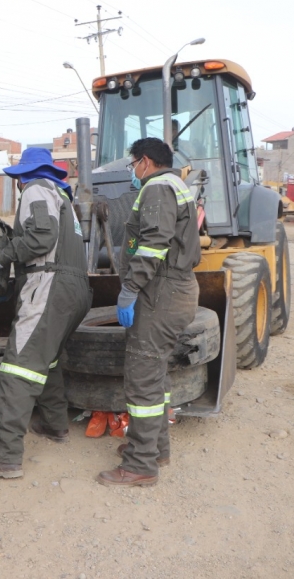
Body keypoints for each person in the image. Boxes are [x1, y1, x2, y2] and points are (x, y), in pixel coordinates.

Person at [0, 147, 91, 480]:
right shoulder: (63, 199)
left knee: (18, 368)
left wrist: (0, 258)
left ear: (24, 175)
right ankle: (54, 425)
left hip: (50, 285)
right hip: (74, 290)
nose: (18, 183)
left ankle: (5, 456)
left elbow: (41, 237)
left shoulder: (36, 189)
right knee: (47, 361)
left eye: (18, 177)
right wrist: (10, 289)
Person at [97, 137, 200, 487]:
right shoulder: (176, 184)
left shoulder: (157, 188)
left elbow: (154, 246)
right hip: (175, 289)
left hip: (162, 292)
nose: (133, 172)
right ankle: (156, 448)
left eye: (133, 165)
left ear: (144, 161)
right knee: (155, 372)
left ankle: (140, 465)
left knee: (142, 377)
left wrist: (129, 289)